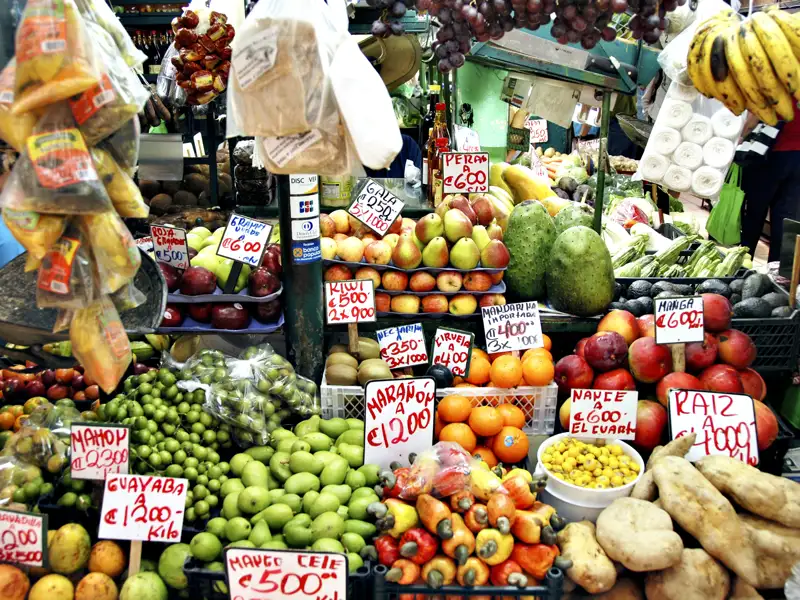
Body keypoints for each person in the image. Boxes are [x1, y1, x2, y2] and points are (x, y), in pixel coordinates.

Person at [740, 105, 800, 262]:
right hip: (797, 158)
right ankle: (777, 275)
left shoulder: (781, 82)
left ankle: (742, 267)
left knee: (754, 214)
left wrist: (741, 137)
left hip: (769, 154)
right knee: (786, 220)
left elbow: (756, 115)